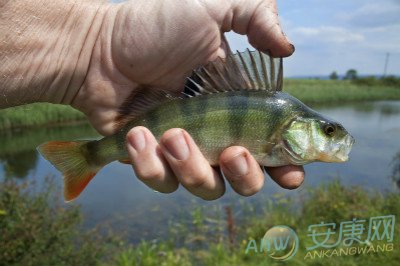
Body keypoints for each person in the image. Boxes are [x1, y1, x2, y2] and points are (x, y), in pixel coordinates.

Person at [0, 0, 304, 200]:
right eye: (328, 131)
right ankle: (88, 156)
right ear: (296, 127)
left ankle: (90, 156)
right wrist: (94, 42)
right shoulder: (279, 112)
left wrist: (92, 42)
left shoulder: (279, 108)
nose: (334, 136)